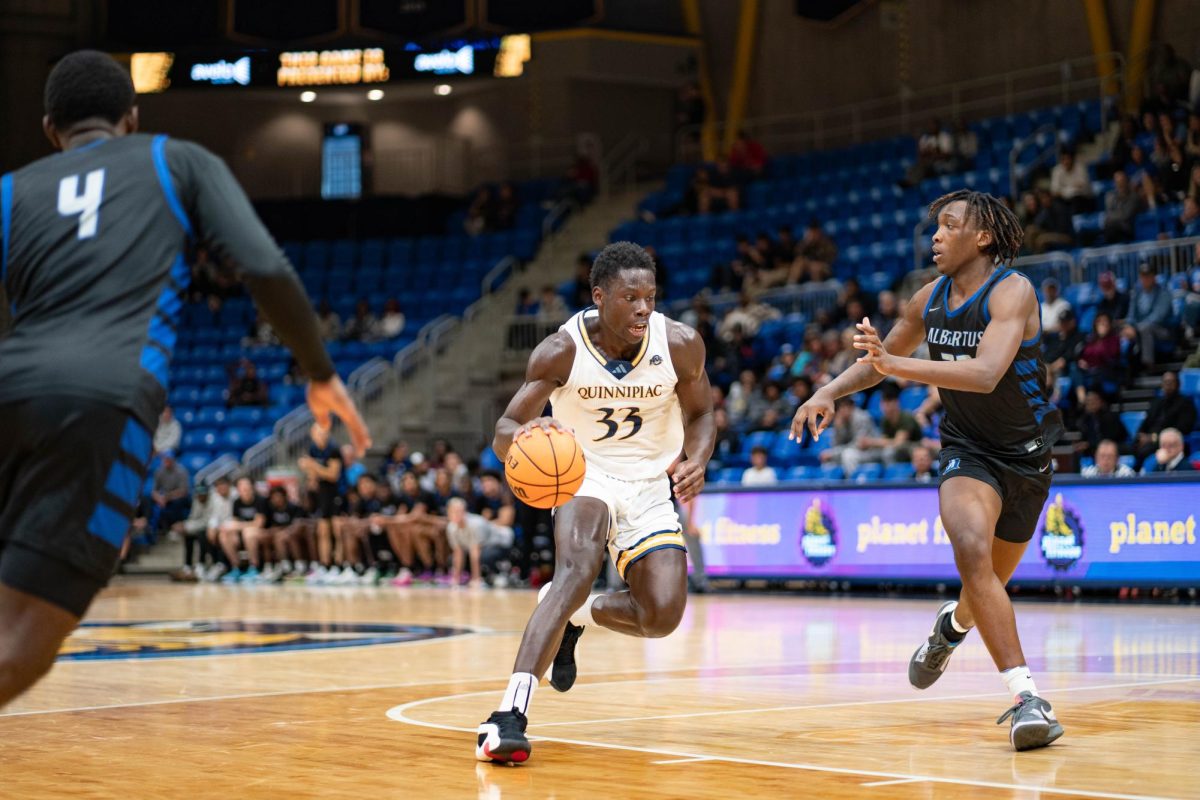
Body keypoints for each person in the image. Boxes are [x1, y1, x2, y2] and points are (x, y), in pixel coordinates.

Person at [0, 51, 369, 709]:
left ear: (50, 128)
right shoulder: (175, 160)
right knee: (22, 641)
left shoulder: (11, 189)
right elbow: (264, 264)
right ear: (132, 118)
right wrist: (318, 371)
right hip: (103, 400)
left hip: (11, 385)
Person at [792, 189, 1066, 751]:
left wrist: (896, 365)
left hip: (1029, 460)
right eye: (935, 226)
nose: (935, 235)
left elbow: (988, 372)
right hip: (969, 450)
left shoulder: (1013, 291)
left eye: (949, 225)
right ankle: (1026, 698)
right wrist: (829, 390)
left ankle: (951, 628)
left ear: (983, 236)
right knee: (969, 547)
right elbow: (877, 366)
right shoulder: (928, 299)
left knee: (981, 586)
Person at [475, 242, 714, 765]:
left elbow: (701, 414)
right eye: (631, 297)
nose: (643, 308)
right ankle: (507, 716)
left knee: (663, 615)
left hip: (650, 482)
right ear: (599, 296)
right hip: (583, 473)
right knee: (577, 567)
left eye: (650, 297)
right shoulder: (561, 350)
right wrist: (525, 435)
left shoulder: (679, 344)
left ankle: (577, 614)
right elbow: (504, 429)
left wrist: (696, 457)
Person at [1133, 371, 1197, 467]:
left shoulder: (1185, 403)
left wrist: (1154, 438)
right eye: (1165, 382)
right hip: (1150, 441)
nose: (1168, 385)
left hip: (1168, 442)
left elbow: (1183, 428)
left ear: (1178, 385)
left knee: (1145, 452)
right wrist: (1140, 436)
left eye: (1171, 382)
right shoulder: (1155, 403)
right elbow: (1144, 424)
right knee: (1132, 447)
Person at [1123, 264, 1174, 368]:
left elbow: (1158, 317)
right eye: (1143, 276)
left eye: (1148, 276)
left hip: (1163, 330)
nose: (1145, 279)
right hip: (1141, 328)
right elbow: (1131, 314)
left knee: (1146, 328)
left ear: (1154, 277)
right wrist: (1129, 325)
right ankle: (1125, 369)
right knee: (1123, 331)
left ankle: (1148, 364)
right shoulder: (1137, 294)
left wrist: (1137, 328)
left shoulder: (1164, 293)